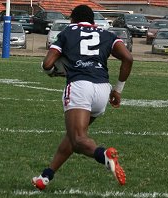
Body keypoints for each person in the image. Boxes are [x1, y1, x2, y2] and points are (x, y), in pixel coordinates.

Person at [31, 4, 133, 190]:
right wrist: (117, 90)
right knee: (74, 137)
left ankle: (104, 156)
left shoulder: (68, 31)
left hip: (80, 86)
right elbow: (128, 58)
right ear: (93, 21)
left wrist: (55, 71)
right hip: (102, 89)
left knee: (78, 140)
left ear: (73, 19)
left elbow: (47, 64)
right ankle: (46, 176)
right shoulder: (106, 33)